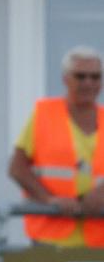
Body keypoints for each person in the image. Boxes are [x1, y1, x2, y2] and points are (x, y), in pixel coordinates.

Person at [9, 46, 104, 247]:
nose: (88, 83)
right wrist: (50, 200)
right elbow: (17, 168)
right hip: (52, 236)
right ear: (65, 79)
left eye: (95, 77)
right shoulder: (44, 114)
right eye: (80, 76)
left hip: (98, 239)